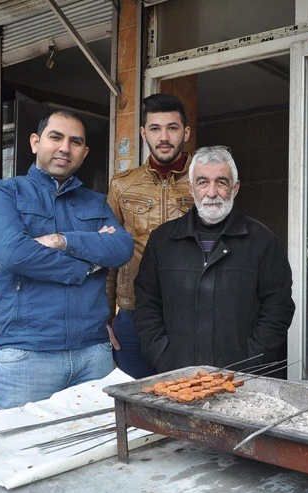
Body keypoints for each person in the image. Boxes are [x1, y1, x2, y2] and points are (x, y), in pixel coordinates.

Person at [0, 110, 133, 411]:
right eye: (56, 137)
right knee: (19, 440)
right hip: (28, 353)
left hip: (93, 353)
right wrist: (88, 265)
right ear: (35, 142)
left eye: (75, 142)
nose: (65, 148)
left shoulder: (95, 202)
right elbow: (14, 253)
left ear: (84, 152)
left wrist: (61, 240)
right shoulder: (5, 193)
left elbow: (121, 248)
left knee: (95, 440)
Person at [133, 146, 295, 374]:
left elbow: (277, 310)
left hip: (241, 379)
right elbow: (147, 304)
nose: (211, 192)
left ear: (235, 188)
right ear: (191, 188)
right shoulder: (162, 241)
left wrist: (250, 362)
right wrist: (162, 356)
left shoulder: (263, 242)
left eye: (221, 182)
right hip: (177, 377)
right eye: (202, 182)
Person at [106, 93, 194, 378]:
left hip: (190, 314)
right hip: (132, 314)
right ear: (144, 134)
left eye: (172, 128)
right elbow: (108, 255)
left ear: (186, 133)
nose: (164, 137)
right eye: (155, 128)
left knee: (187, 396)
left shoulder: (203, 182)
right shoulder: (122, 186)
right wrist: (104, 317)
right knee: (133, 399)